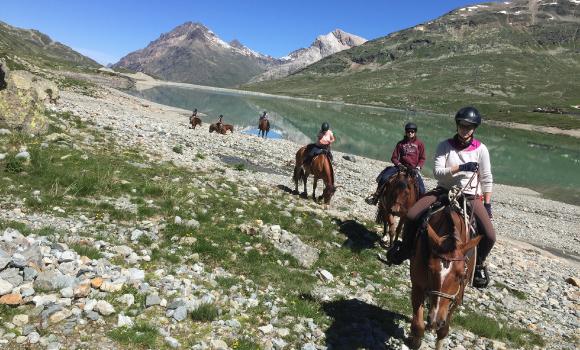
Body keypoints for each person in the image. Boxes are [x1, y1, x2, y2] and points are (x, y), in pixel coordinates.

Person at [386, 107, 495, 289]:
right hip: (444, 191)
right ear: (457, 125)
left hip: (469, 196)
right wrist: (461, 168)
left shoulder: (481, 149)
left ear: (474, 128)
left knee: (490, 236)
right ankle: (405, 249)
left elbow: (487, 178)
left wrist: (488, 203)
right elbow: (438, 173)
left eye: (469, 127)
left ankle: (479, 265)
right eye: (462, 125)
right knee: (412, 215)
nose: (465, 130)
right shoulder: (444, 145)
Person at [365, 122, 426, 205]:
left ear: (415, 132)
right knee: (384, 177)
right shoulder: (400, 143)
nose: (410, 133)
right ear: (405, 132)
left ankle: (420, 207)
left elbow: (422, 158)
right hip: (400, 167)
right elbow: (394, 157)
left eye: (412, 131)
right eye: (408, 131)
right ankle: (375, 197)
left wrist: (418, 168)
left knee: (422, 189)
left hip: (413, 169)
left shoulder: (420, 144)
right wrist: (399, 164)